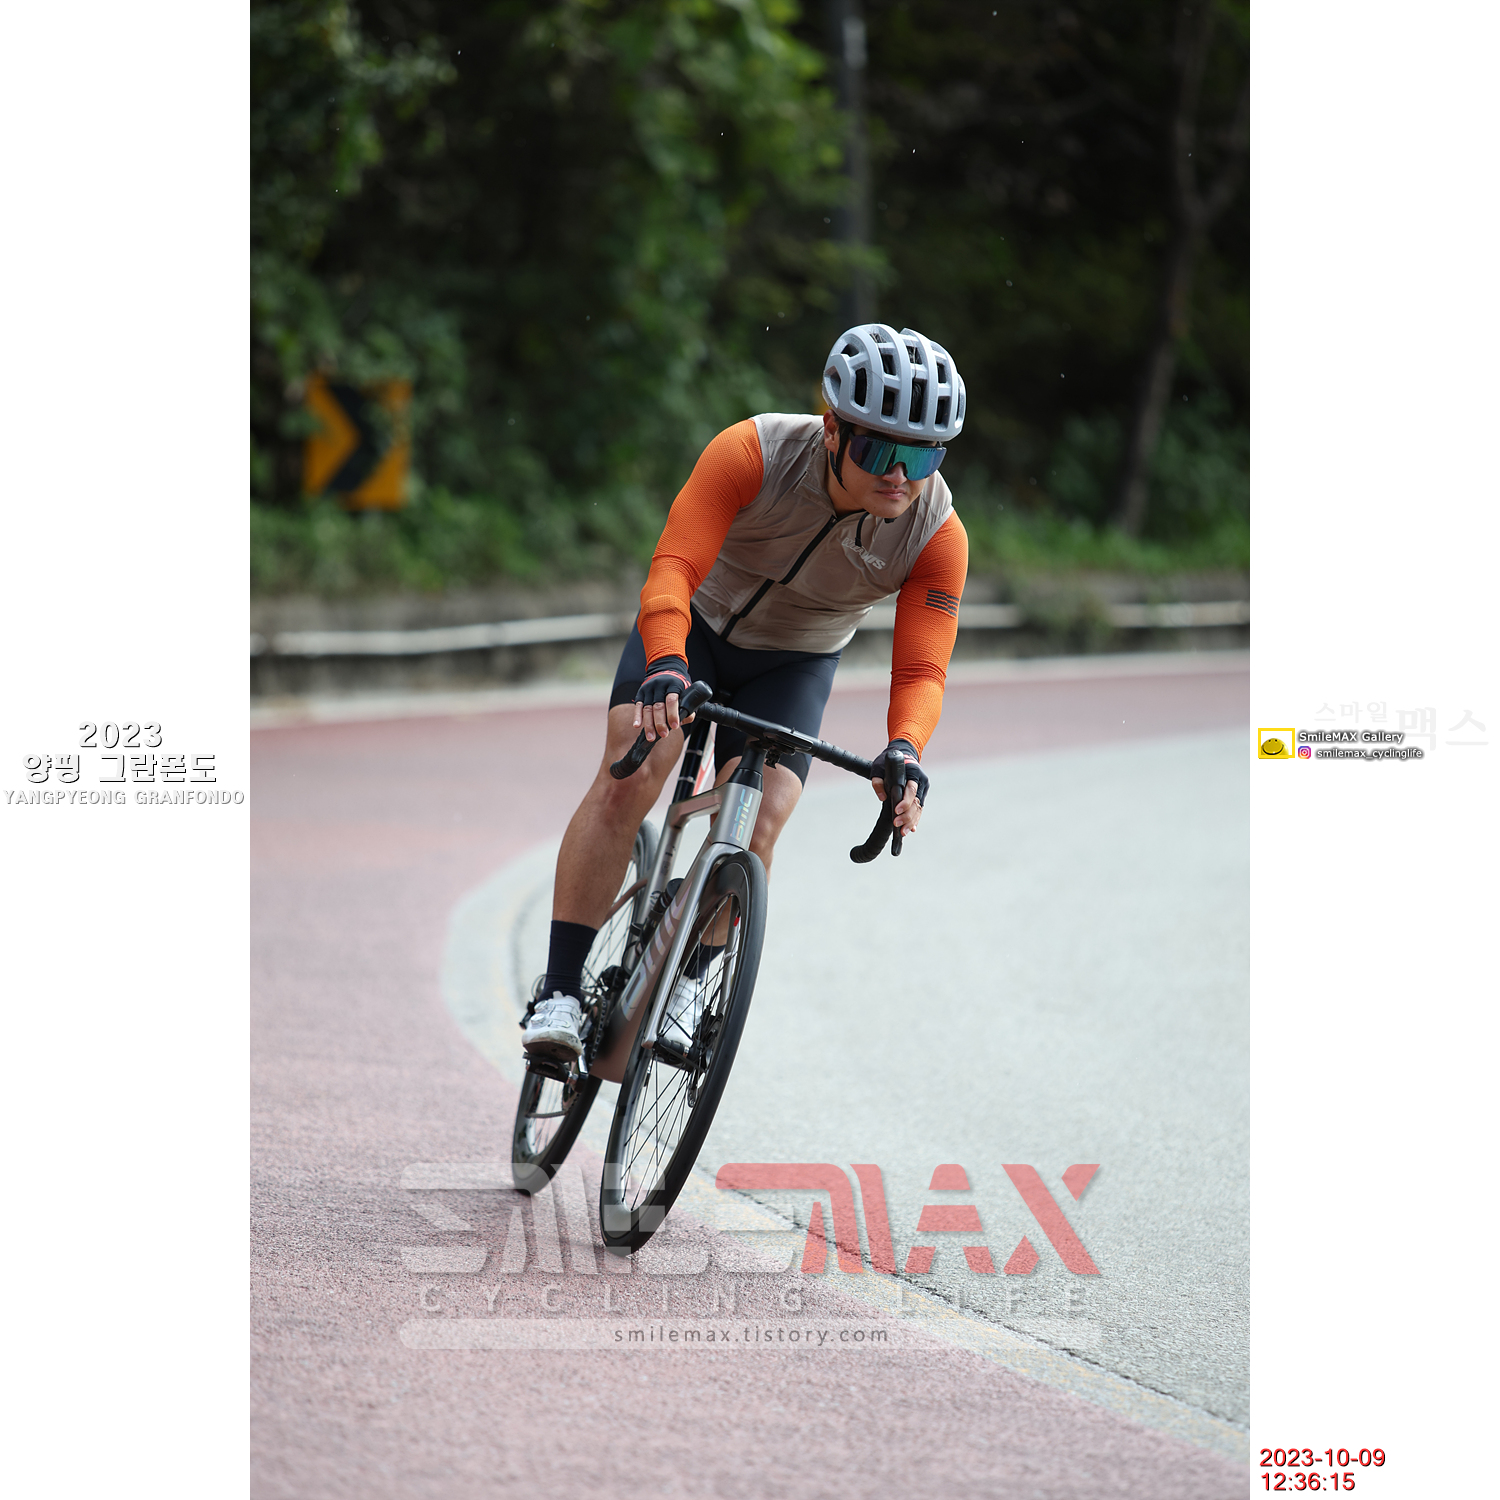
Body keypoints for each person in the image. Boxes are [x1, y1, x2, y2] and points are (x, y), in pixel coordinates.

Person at [523, 323, 969, 1061]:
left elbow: (922, 672)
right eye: (879, 451)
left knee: (759, 827)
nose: (900, 475)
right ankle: (560, 991)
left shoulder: (936, 535)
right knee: (631, 769)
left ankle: (688, 980)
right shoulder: (755, 452)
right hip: (692, 630)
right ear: (833, 431)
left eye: (923, 455)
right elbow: (673, 568)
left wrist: (905, 749)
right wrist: (667, 661)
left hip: (793, 663)